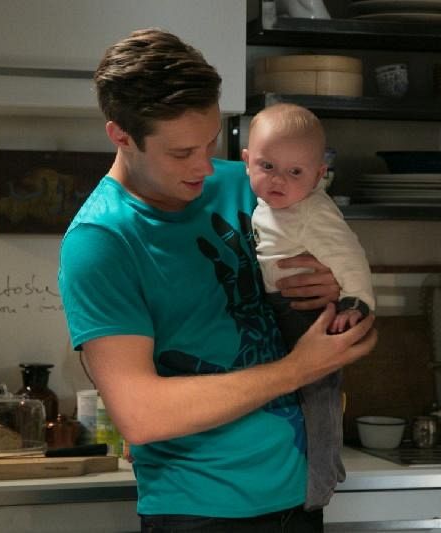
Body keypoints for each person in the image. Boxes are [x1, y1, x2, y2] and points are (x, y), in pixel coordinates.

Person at [58, 28, 377, 532]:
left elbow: (354, 311)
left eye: (210, 142)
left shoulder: (252, 182)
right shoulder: (102, 241)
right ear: (121, 136)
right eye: (182, 152)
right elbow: (140, 415)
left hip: (302, 497)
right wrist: (298, 368)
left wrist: (335, 292)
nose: (206, 167)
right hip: (200, 512)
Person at [243, 103, 376, 511]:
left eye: (295, 172)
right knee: (298, 395)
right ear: (247, 161)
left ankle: (322, 478)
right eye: (267, 166)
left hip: (304, 313)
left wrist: (355, 302)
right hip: (278, 307)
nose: (278, 179)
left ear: (319, 176)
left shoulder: (313, 211)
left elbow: (349, 256)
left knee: (318, 396)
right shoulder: (270, 202)